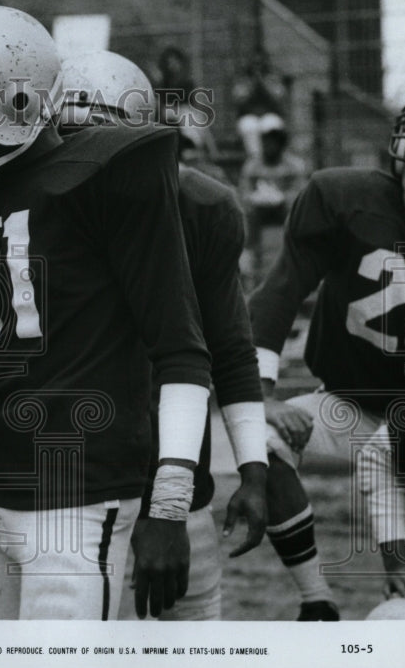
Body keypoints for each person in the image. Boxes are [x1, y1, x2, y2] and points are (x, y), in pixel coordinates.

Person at [0, 6, 212, 620]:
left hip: (81, 492)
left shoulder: (109, 174)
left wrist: (170, 507)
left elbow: (181, 352)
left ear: (14, 99)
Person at [56, 50, 269, 622]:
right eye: (74, 138)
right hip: (69, 491)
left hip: (173, 481)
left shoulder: (200, 207)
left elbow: (227, 347)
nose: (90, 157)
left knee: (187, 656)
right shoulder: (39, 205)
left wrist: (252, 468)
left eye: (104, 139)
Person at [248, 93, 405, 619]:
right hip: (347, 408)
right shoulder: (344, 198)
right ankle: (317, 600)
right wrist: (261, 394)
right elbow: (280, 291)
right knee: (257, 442)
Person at [239, 113, 308, 285]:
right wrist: (257, 198)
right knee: (245, 218)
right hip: (257, 213)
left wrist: (281, 198)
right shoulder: (252, 165)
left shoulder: (294, 165)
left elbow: (301, 194)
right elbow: (244, 193)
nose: (269, 145)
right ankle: (249, 267)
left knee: (300, 217)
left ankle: (295, 267)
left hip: (284, 211)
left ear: (281, 142)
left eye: (273, 140)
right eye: (266, 140)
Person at [232, 48, 289, 160]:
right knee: (249, 126)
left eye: (260, 63)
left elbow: (278, 99)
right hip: (248, 117)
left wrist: (262, 83)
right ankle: (256, 161)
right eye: (255, 63)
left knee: (271, 125)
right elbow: (239, 100)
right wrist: (253, 84)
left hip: (270, 116)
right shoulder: (242, 78)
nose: (257, 66)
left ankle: (273, 158)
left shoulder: (274, 77)